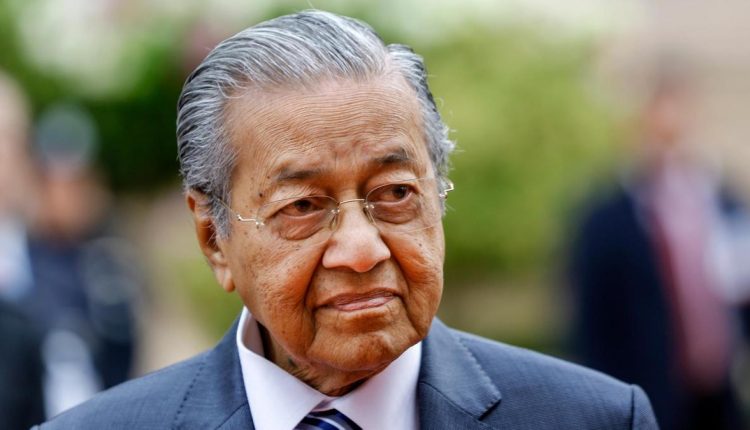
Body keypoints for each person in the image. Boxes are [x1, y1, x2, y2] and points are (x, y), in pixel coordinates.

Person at [36, 10, 658, 429]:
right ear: (214, 239)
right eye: (302, 207)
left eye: (395, 193)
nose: (362, 250)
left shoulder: (595, 418)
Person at [569, 70, 750, 430]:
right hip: (648, 388)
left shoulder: (723, 202)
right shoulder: (607, 218)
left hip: (719, 389)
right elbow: (591, 319)